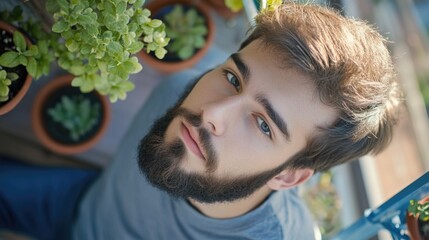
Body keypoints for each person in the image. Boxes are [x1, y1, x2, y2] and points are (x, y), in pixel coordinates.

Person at [0, 2, 401, 240]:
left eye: (263, 124)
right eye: (233, 77)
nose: (211, 113)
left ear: (289, 177)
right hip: (82, 206)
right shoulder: (183, 89)